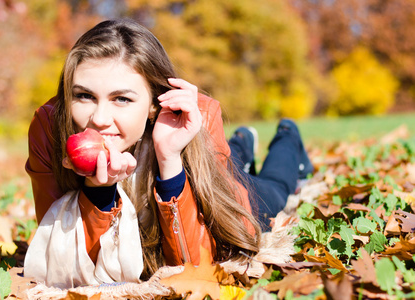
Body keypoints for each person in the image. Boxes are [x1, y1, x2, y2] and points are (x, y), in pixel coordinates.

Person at [23, 18, 313, 288]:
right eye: (84, 96)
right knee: (232, 157)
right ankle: (241, 143)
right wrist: (99, 192)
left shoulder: (193, 119)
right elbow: (60, 255)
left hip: (223, 182)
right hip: (208, 157)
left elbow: (195, 267)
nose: (99, 118)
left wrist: (169, 159)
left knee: (274, 188)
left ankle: (288, 136)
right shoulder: (50, 128)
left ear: (153, 104)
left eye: (121, 99)